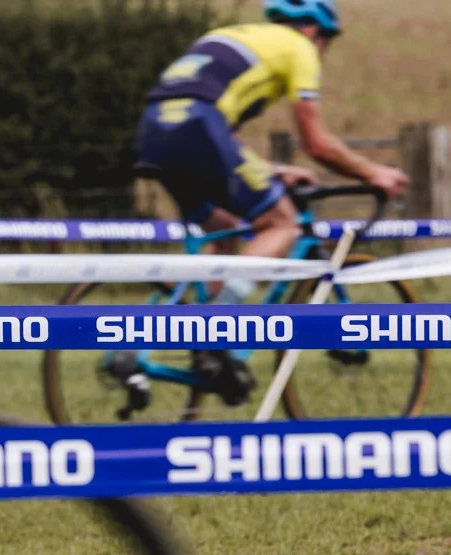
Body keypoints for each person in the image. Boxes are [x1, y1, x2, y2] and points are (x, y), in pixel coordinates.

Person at [131, 0, 409, 404]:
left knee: (223, 229)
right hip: (198, 125)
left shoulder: (235, 37)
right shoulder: (296, 47)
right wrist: (373, 173)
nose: (322, 53)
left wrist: (270, 168)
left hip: (156, 129)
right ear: (314, 31)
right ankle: (219, 330)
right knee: (282, 224)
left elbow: (220, 140)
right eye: (325, 43)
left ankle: (181, 345)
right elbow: (315, 143)